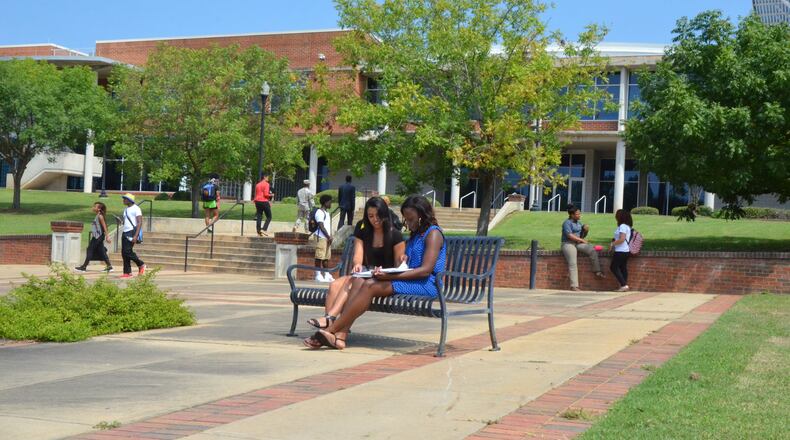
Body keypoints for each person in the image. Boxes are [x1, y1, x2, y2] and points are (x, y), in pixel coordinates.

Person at [307, 195, 446, 350]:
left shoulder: (433, 234)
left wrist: (389, 275)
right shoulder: (416, 235)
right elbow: (407, 264)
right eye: (406, 219)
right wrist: (402, 261)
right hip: (411, 281)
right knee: (362, 281)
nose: (408, 223)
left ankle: (330, 329)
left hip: (427, 284)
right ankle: (340, 335)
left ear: (422, 215)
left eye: (411, 219)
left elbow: (426, 270)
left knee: (370, 286)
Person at [304, 197, 406, 335]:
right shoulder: (363, 230)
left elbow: (399, 265)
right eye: (370, 216)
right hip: (365, 273)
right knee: (334, 285)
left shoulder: (395, 234)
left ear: (384, 214)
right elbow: (358, 254)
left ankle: (330, 321)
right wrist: (357, 264)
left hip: (384, 278)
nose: (375, 219)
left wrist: (400, 261)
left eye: (378, 215)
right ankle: (330, 327)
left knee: (353, 282)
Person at [561, 204, 604, 291]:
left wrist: (585, 230)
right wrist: (582, 240)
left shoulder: (579, 223)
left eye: (579, 213)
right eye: (577, 214)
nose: (579, 215)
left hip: (578, 243)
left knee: (592, 250)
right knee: (573, 263)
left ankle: (597, 271)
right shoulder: (567, 223)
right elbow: (570, 235)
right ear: (572, 215)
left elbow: (582, 236)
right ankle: (574, 286)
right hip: (568, 244)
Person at [74, 202, 113, 273]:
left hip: (98, 237)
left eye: (95, 206)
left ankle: (84, 267)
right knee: (102, 251)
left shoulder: (100, 216)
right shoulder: (98, 215)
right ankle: (109, 266)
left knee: (90, 249)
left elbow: (105, 227)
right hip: (98, 236)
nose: (93, 207)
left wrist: (107, 236)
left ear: (99, 209)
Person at [120, 193, 145, 279]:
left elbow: (139, 222)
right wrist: (120, 221)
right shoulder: (126, 209)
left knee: (127, 251)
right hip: (125, 232)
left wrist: (135, 235)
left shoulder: (136, 209)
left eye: (125, 199)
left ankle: (141, 264)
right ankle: (127, 272)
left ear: (130, 200)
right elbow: (125, 221)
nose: (123, 200)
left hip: (131, 232)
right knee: (124, 253)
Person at [609, 209, 633, 292]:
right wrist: (613, 240)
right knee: (623, 268)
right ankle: (624, 285)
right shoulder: (627, 226)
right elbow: (620, 238)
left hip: (621, 251)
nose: (615, 217)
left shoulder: (622, 226)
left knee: (613, 267)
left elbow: (622, 239)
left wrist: (612, 244)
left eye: (617, 215)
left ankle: (624, 285)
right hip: (626, 251)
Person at [314, 194, 333, 282]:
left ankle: (326, 274)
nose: (331, 204)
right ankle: (318, 275)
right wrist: (328, 236)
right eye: (330, 202)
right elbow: (321, 226)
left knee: (326, 257)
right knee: (319, 257)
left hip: (327, 238)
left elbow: (327, 226)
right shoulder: (319, 212)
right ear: (325, 202)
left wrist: (330, 236)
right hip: (321, 237)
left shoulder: (327, 213)